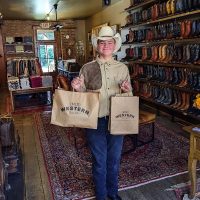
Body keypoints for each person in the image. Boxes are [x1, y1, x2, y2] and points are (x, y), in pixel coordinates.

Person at [71, 26, 132, 200]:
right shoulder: (87, 68)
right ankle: (101, 196)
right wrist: (77, 88)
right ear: (97, 45)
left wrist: (126, 91)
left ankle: (113, 194)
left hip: (117, 119)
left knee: (113, 161)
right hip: (95, 120)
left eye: (109, 42)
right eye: (102, 42)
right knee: (99, 162)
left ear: (115, 45)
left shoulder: (122, 68)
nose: (106, 45)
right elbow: (81, 98)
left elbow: (129, 97)